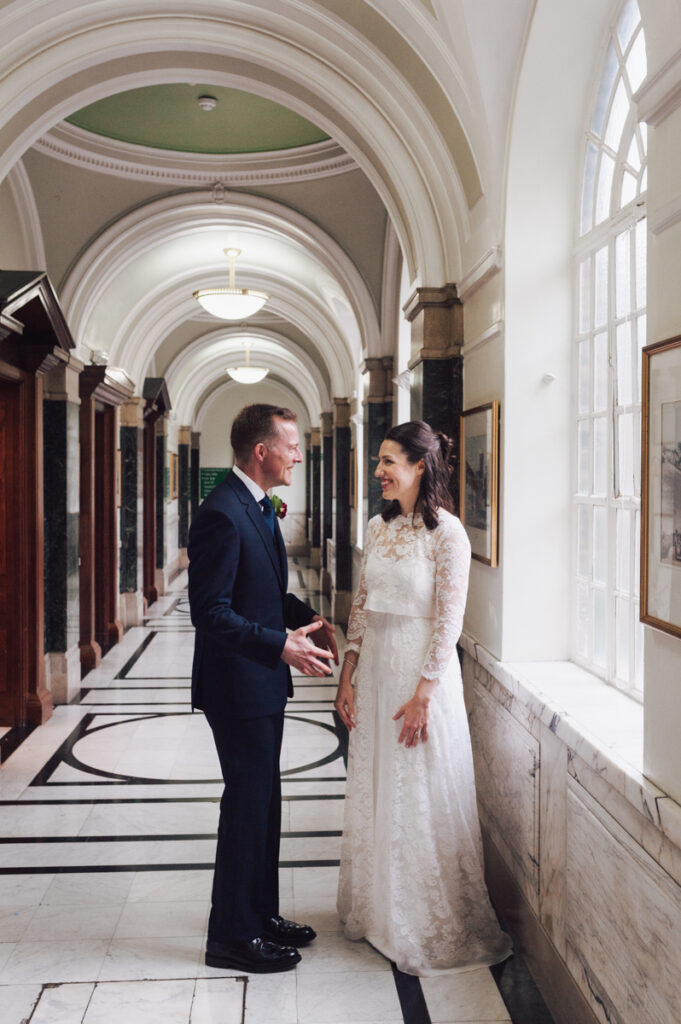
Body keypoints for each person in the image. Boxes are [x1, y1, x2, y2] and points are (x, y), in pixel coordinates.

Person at [334, 420, 512, 976]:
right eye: (380, 461)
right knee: (378, 782)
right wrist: (349, 671)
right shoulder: (377, 526)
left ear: (419, 466)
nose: (380, 472)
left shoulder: (449, 534)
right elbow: (362, 604)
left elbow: (449, 620)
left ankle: (421, 917)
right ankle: (377, 910)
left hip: (420, 678)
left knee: (418, 788)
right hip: (378, 671)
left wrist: (424, 695)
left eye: (389, 462)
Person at [188, 403, 338, 973]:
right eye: (291, 445)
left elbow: (267, 592)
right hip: (236, 686)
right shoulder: (222, 513)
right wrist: (280, 645)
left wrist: (317, 621)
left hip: (261, 683)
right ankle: (230, 935)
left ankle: (260, 913)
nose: (298, 454)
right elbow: (211, 613)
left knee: (266, 802)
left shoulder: (256, 506)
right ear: (262, 451)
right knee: (246, 807)